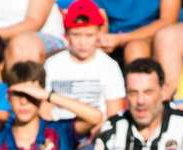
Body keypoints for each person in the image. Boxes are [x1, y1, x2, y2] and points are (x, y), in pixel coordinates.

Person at [44, 0, 126, 134]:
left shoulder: (109, 66)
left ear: (99, 33)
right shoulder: (52, 64)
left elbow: (114, 112)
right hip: (58, 131)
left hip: (95, 132)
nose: (83, 42)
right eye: (76, 35)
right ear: (67, 35)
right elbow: (43, 107)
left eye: (89, 35)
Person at [97, 0, 180, 63]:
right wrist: (103, 40)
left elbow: (168, 20)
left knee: (136, 48)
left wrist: (122, 38)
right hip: (113, 37)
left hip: (155, 34)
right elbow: (101, 22)